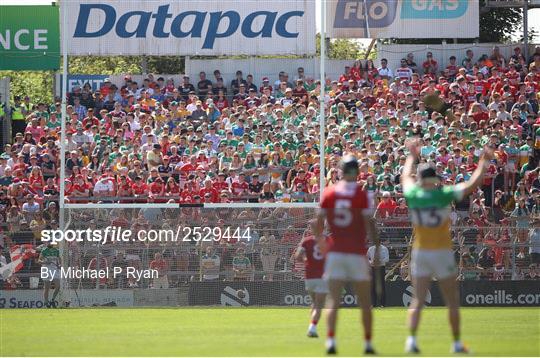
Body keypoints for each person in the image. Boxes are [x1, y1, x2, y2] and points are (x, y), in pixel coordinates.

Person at [401, 139, 494, 354]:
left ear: (420, 179)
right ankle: (456, 343)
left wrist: (411, 156)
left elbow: (405, 177)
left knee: (417, 299)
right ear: (435, 179)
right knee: (452, 301)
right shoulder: (443, 195)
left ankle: (411, 341)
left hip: (421, 251)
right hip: (442, 252)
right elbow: (472, 184)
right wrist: (483, 161)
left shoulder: (414, 195)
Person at [314, 155, 379, 355]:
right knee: (365, 302)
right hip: (357, 253)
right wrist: (376, 246)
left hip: (336, 253)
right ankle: (367, 343)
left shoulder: (330, 192)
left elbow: (317, 223)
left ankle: (331, 341)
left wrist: (322, 244)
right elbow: (371, 225)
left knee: (333, 300)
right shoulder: (362, 194)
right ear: (357, 172)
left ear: (340, 172)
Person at [294, 221, 327, 338]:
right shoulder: (328, 240)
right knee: (318, 305)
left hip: (309, 277)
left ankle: (312, 323)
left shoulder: (306, 241)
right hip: (322, 277)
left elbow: (297, 257)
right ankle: (312, 328)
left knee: (314, 303)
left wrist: (307, 260)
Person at [38, 241, 61, 308]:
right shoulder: (44, 250)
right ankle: (46, 302)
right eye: (48, 242)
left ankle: (52, 300)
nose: (49, 244)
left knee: (58, 286)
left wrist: (59, 265)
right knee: (47, 288)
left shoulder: (56, 250)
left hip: (54, 269)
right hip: (46, 270)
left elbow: (59, 259)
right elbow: (39, 260)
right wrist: (45, 262)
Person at [367, 241, 389, 307]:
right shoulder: (370, 249)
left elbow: (387, 259)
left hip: (381, 267)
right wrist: (371, 262)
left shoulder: (384, 248)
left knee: (381, 285)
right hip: (373, 268)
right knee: (373, 286)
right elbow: (366, 257)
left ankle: (382, 304)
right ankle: (373, 304)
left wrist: (379, 261)